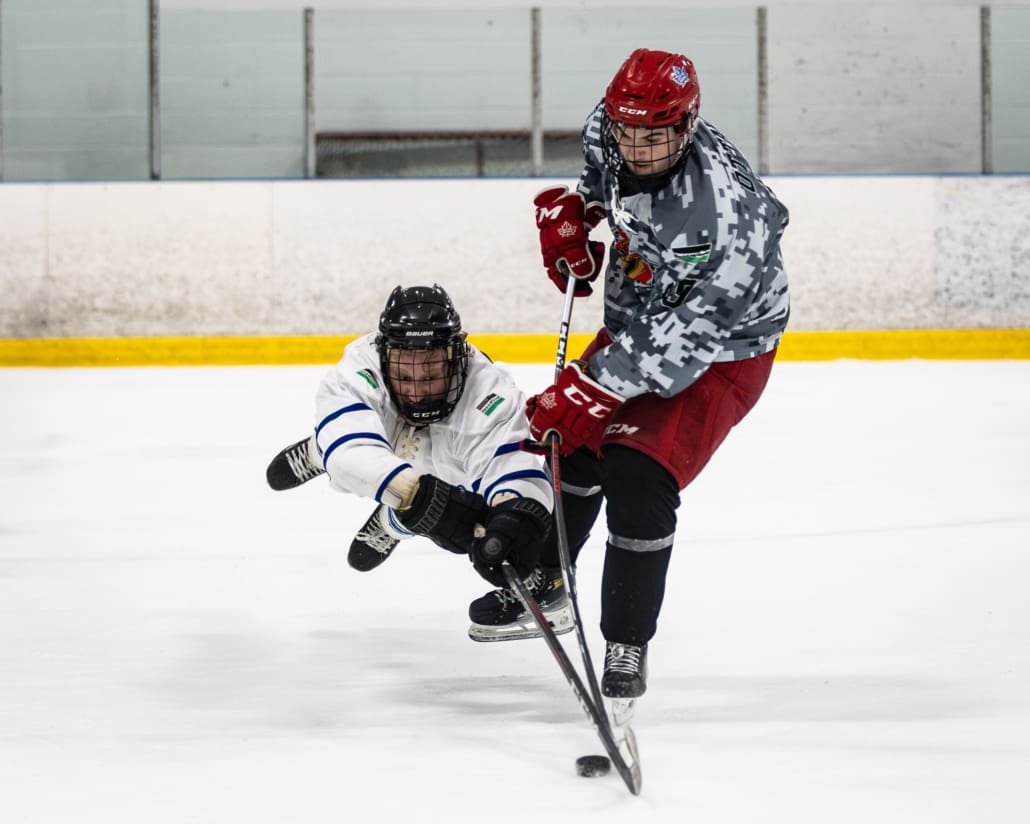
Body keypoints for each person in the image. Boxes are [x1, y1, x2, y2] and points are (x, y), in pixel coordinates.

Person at [489, 48, 791, 702]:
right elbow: (603, 179)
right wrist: (576, 215)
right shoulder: (611, 126)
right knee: (568, 443)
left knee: (638, 471)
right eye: (628, 132)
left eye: (655, 137)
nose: (637, 148)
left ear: (687, 126)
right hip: (639, 318)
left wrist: (595, 384)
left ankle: (627, 640)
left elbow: (694, 334)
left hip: (724, 349)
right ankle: (548, 583)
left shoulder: (727, 216)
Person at [265, 284, 572, 642]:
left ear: (456, 358)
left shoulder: (486, 387)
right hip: (378, 429)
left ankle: (391, 522)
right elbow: (350, 451)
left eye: (430, 375)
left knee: (443, 493)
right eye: (406, 377)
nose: (417, 390)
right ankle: (319, 451)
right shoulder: (361, 366)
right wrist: (416, 496)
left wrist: (514, 516)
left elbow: (512, 459)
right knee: (348, 452)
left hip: (445, 451)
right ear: (383, 357)